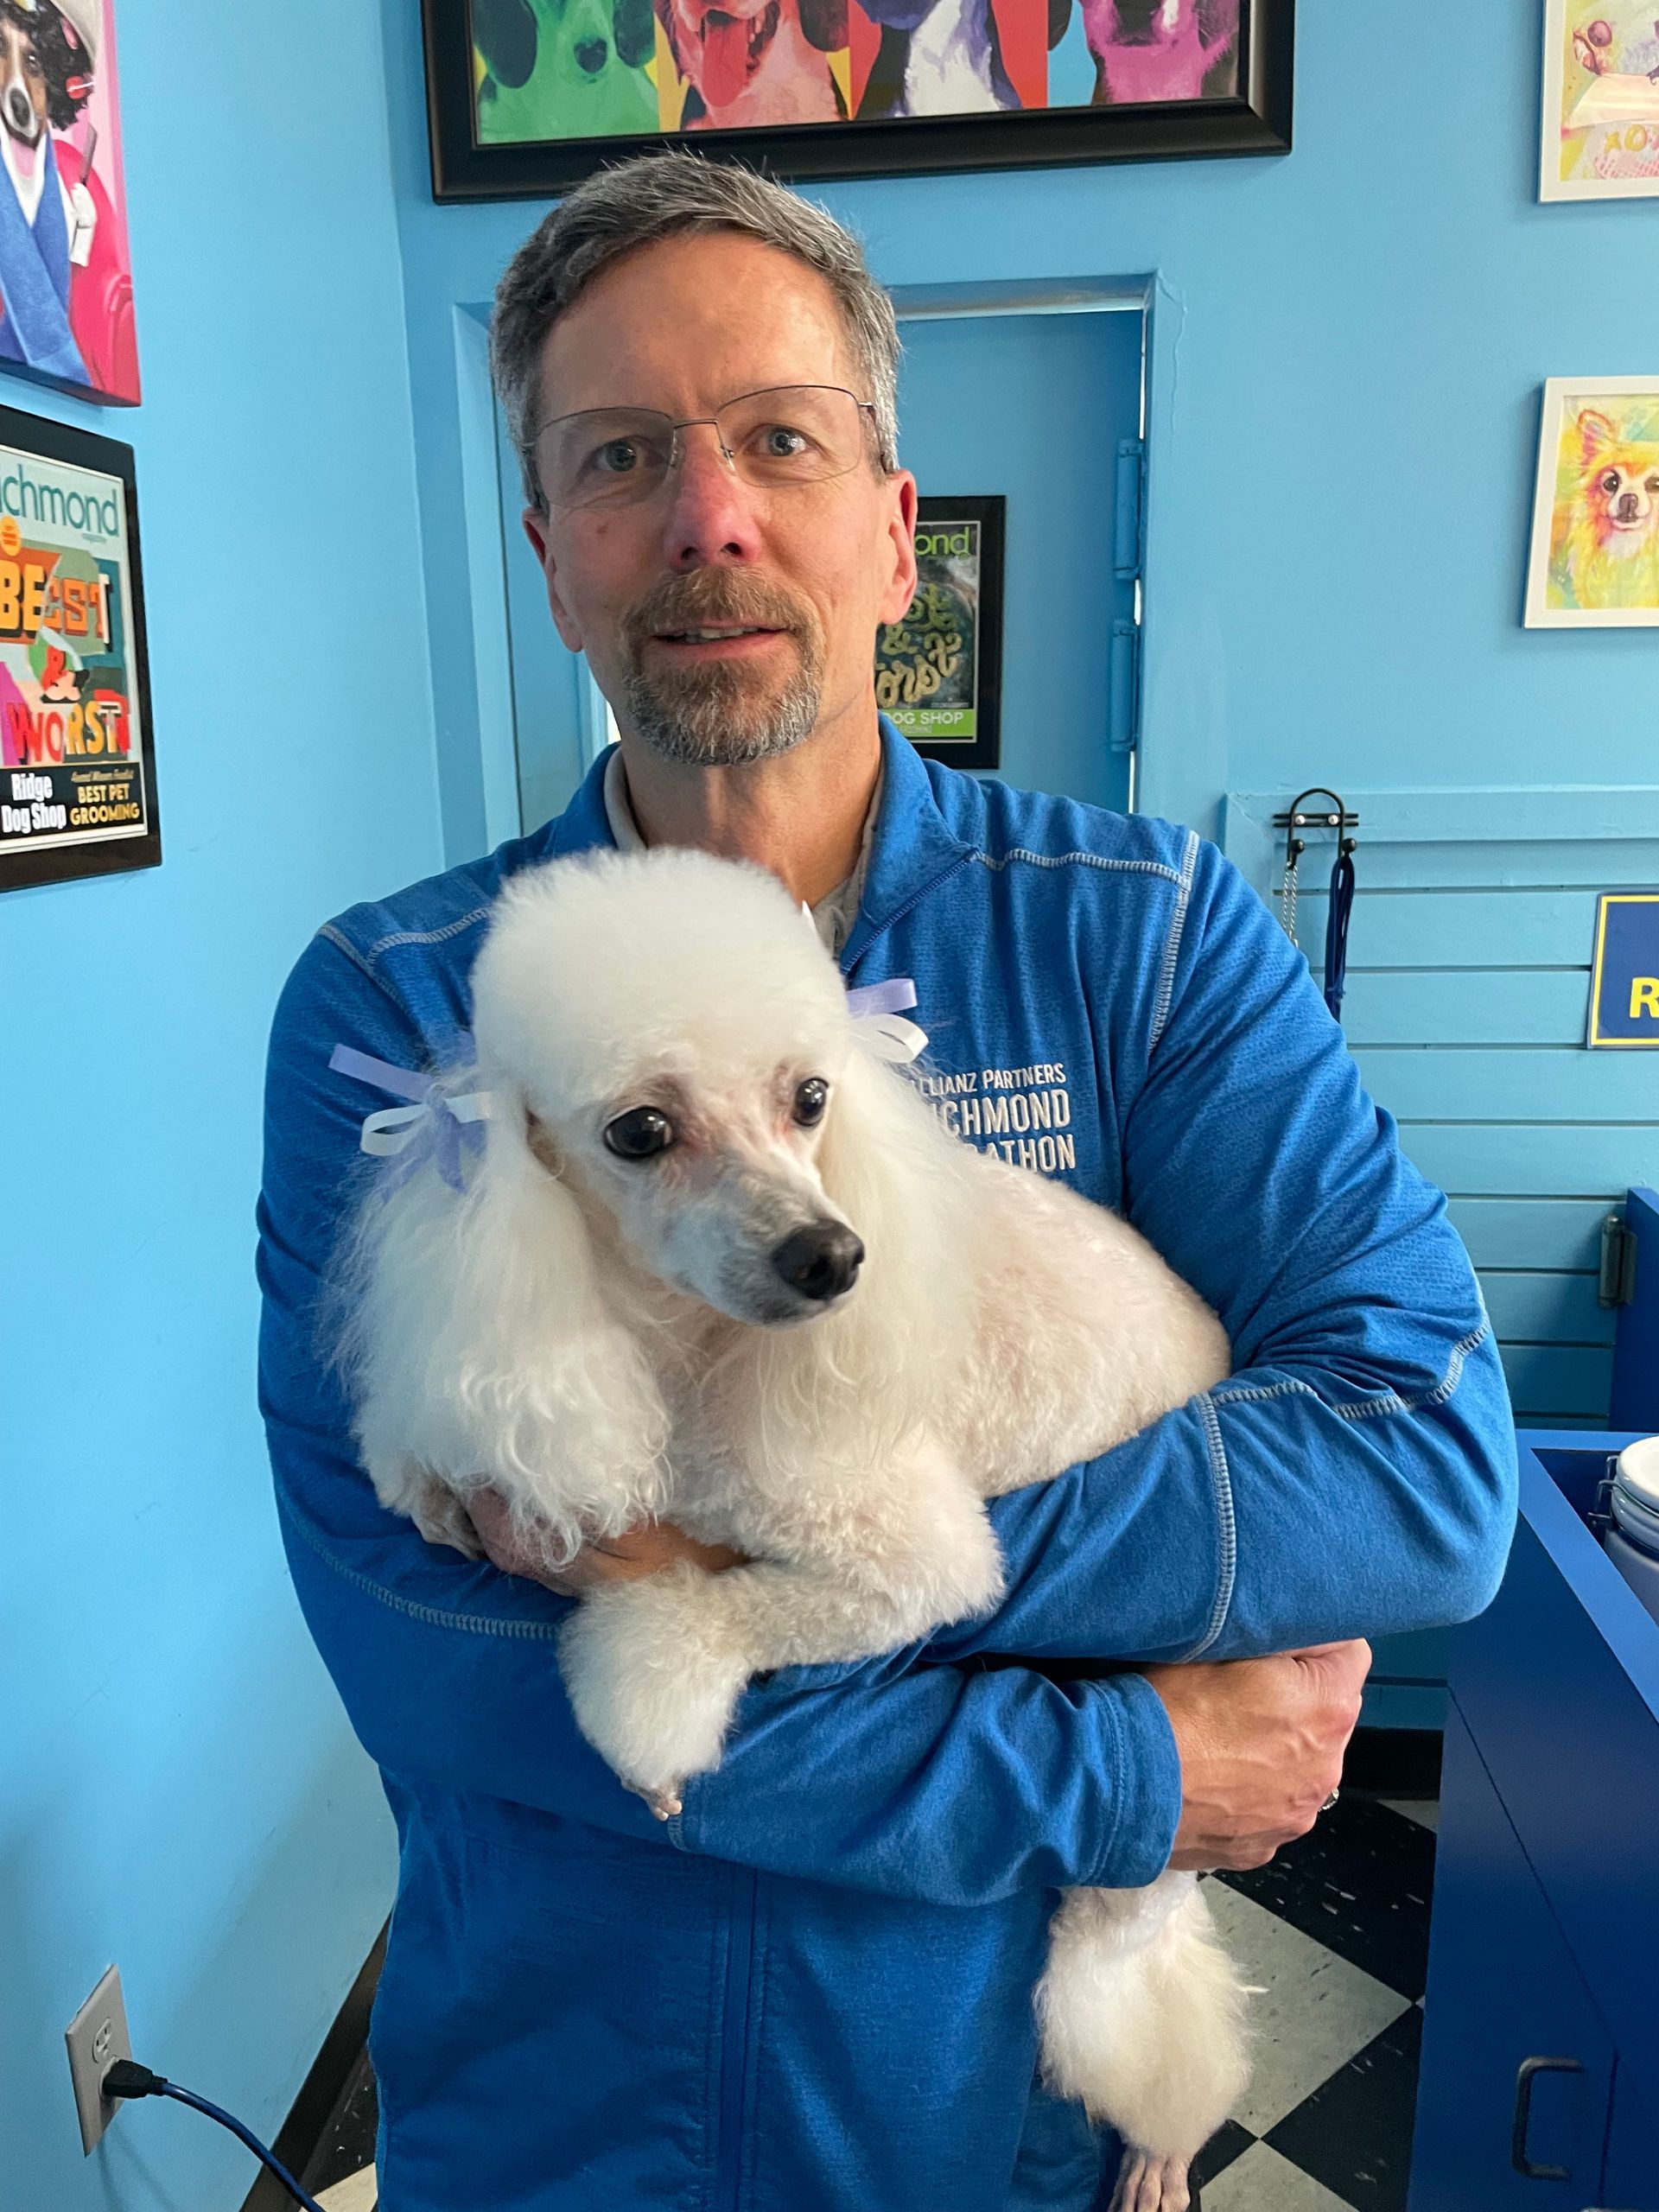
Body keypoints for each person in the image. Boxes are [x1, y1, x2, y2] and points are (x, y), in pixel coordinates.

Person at [256, 149, 1517, 2212]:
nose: (709, 516)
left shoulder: (1144, 932)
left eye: (781, 438)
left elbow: (1421, 1468)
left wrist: (706, 1562)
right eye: (620, 456)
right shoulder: (395, 1009)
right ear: (551, 556)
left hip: (982, 2117)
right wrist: (1118, 1762)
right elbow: (440, 1663)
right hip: (559, 2112)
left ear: (892, 525)